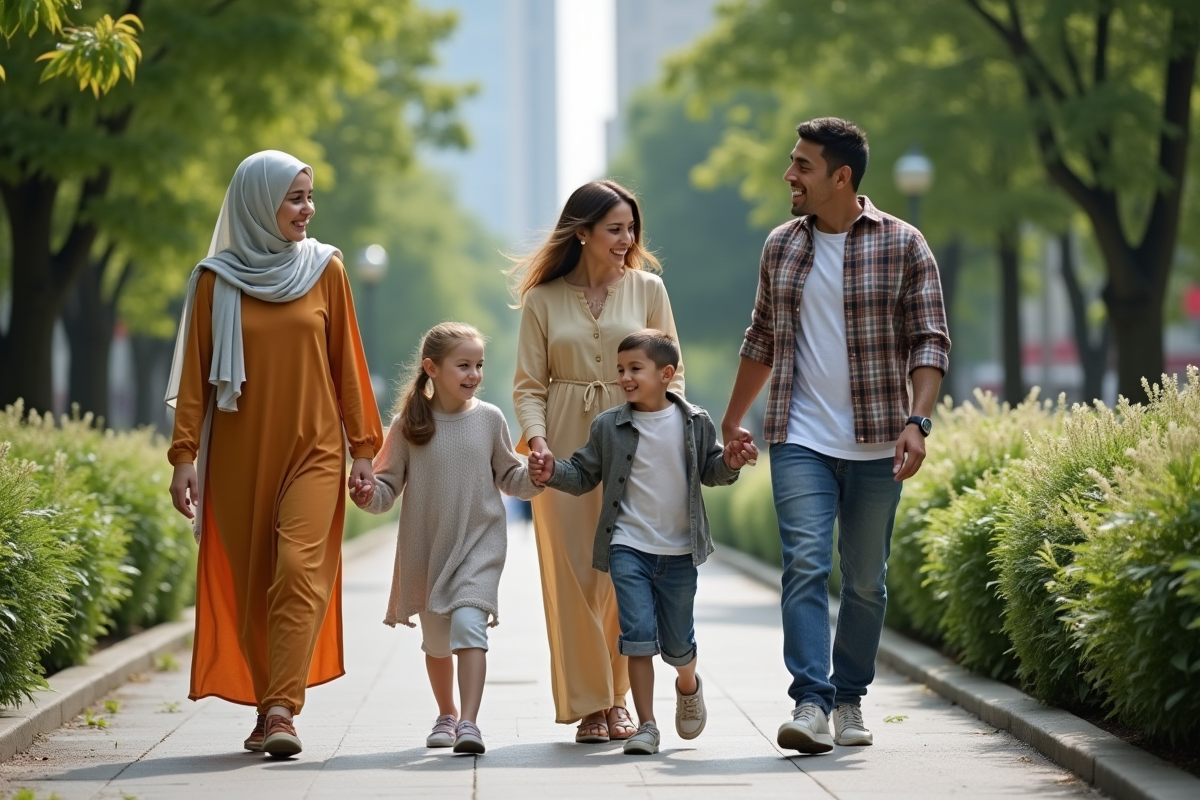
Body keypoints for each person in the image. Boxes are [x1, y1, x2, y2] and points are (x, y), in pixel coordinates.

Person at [721, 118, 951, 753]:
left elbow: (930, 339)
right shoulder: (781, 246)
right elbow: (760, 336)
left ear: (841, 177)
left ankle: (849, 698)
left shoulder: (904, 244)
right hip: (799, 435)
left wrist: (917, 421)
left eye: (803, 166)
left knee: (866, 580)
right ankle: (811, 702)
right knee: (803, 563)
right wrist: (734, 416)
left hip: (880, 441)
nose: (789, 176)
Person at [166, 150, 382, 758]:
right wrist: (184, 456)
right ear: (258, 203)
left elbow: (348, 364)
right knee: (251, 582)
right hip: (237, 457)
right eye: (294, 198)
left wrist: (364, 447)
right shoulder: (215, 280)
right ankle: (268, 705)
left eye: (309, 197)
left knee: (297, 571)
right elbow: (196, 380)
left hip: (314, 450)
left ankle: (283, 707)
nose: (307, 210)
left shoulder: (326, 270)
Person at [511, 181, 685, 742]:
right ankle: (589, 705)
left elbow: (670, 372)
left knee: (621, 569)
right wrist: (537, 442)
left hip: (634, 439)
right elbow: (528, 385)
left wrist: (674, 438)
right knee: (569, 572)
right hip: (561, 442)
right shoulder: (542, 300)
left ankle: (616, 700)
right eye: (615, 229)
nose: (627, 239)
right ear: (581, 232)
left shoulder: (649, 290)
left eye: (631, 228)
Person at [529, 330, 754, 754]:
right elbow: (582, 475)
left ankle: (688, 684)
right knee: (636, 635)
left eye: (635, 369)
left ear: (666, 374)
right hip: (627, 546)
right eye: (620, 370)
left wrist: (730, 460)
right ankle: (647, 725)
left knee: (677, 642)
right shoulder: (608, 427)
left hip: (679, 550)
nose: (625, 378)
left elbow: (711, 470)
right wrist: (550, 471)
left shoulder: (695, 422)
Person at [354, 322, 542, 755]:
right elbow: (386, 488)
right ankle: (446, 712)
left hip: (480, 543)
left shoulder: (490, 418)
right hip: (429, 549)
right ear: (431, 368)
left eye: (478, 365)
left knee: (469, 626)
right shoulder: (408, 425)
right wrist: (367, 494)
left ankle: (470, 724)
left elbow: (509, 476)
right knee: (437, 641)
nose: (474, 374)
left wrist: (533, 475)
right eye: (463, 365)